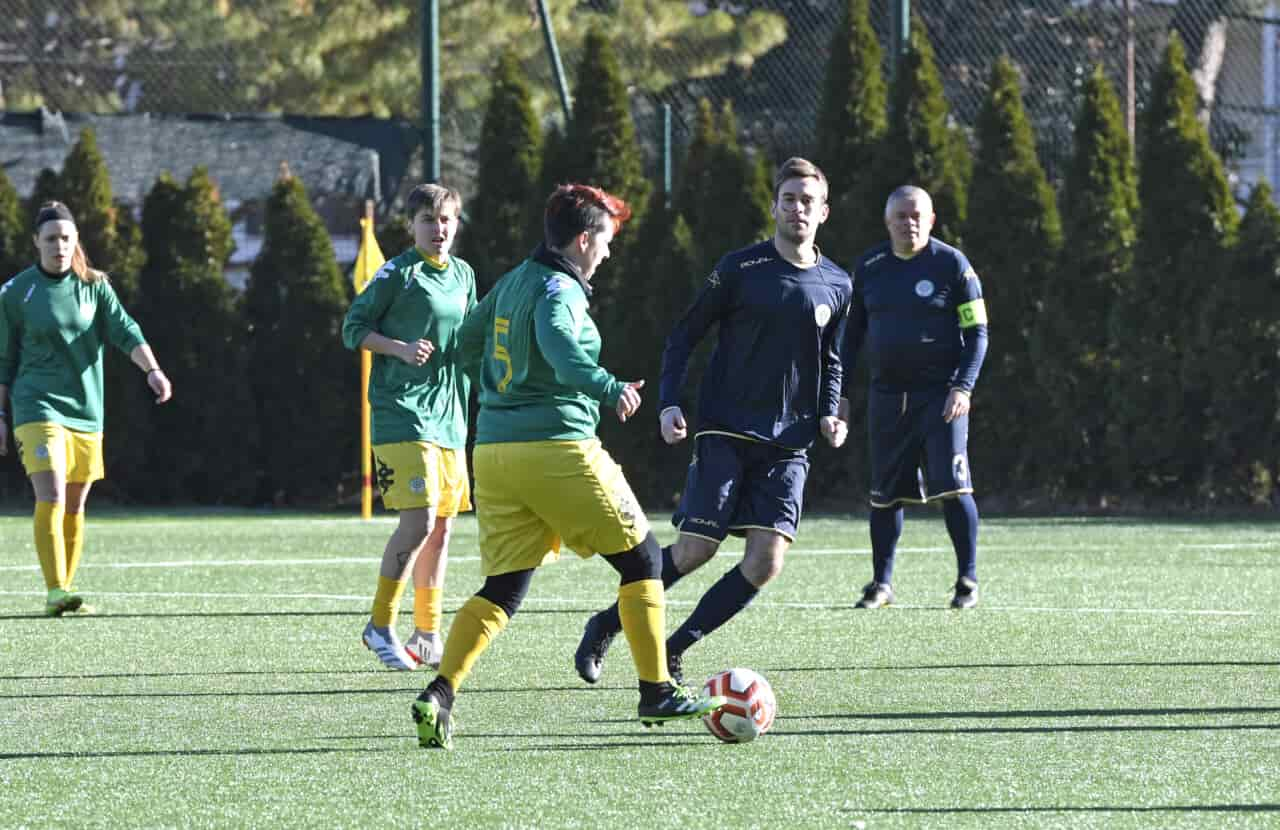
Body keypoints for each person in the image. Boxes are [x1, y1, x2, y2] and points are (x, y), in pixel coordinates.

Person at [410, 183, 725, 749]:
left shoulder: (513, 280)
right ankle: (656, 691)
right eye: (605, 240)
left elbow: (466, 340)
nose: (607, 252)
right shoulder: (559, 288)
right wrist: (606, 387)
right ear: (583, 240)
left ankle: (441, 692)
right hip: (556, 448)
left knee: (504, 588)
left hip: (496, 454)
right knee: (645, 560)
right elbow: (557, 341)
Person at [574, 157, 852, 687]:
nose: (797, 208)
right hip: (726, 428)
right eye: (788, 199)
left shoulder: (838, 283)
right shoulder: (741, 268)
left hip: (790, 442)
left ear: (824, 213)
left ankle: (675, 648)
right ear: (774, 206)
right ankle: (606, 625)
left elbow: (833, 359)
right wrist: (670, 402)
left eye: (807, 201)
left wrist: (829, 413)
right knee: (697, 549)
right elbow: (685, 335)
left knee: (766, 562)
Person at [0, 201, 173, 616]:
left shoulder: (95, 286)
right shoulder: (15, 293)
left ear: (76, 241)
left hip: (86, 411)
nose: (58, 245)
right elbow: (3, 359)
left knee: (75, 504)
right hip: (36, 406)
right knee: (52, 493)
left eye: (65, 238)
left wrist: (153, 370)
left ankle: (67, 590)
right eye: (50, 239)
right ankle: (55, 590)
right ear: (36, 243)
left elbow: (126, 330)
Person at [342, 183, 477, 670]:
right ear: (411, 225)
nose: (438, 230)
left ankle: (427, 634)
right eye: (428, 220)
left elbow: (469, 340)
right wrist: (399, 347)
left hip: (451, 419)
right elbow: (352, 328)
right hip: (403, 413)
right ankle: (379, 625)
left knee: (442, 529)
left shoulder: (463, 274)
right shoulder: (397, 273)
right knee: (418, 522)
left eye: (446, 220)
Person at [842, 185, 989, 610]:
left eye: (916, 216)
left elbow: (977, 333)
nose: (909, 223)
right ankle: (881, 584)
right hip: (887, 399)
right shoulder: (869, 267)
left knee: (953, 487)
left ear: (931, 219)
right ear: (887, 223)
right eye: (900, 217)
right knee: (885, 494)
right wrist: (840, 395)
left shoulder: (953, 265)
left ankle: (967, 580)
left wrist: (963, 386)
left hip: (941, 399)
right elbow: (850, 339)